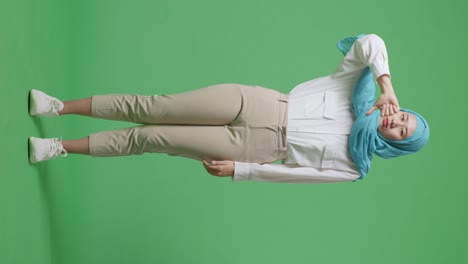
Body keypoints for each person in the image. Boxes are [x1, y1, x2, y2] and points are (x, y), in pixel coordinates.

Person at [28, 34, 430, 183]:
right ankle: (58, 107)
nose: (396, 121)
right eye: (404, 116)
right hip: (258, 101)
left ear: (395, 145)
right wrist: (385, 82)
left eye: (400, 132)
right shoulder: (355, 89)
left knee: (151, 137)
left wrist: (242, 171)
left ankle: (59, 146)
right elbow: (371, 42)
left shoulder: (353, 167)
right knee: (154, 106)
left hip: (252, 147)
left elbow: (298, 176)